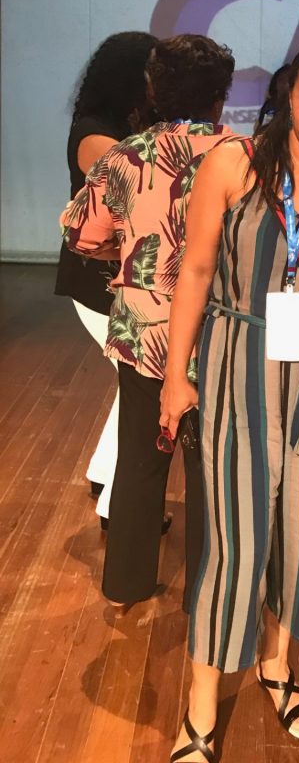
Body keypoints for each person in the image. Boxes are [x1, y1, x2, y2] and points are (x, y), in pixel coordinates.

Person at [158, 38, 299, 762]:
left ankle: (277, 665)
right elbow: (196, 270)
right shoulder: (234, 163)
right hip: (237, 361)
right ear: (286, 93)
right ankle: (200, 708)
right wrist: (176, 374)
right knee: (235, 536)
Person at [61, 34, 236, 610]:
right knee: (212, 469)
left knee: (138, 460)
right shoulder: (244, 154)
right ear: (221, 94)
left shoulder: (125, 156)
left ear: (155, 90)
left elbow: (81, 234)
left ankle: (126, 585)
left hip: (143, 330)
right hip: (217, 330)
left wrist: (134, 253)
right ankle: (207, 595)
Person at [54, 31, 158, 523]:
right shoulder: (95, 134)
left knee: (134, 381)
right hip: (99, 280)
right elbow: (146, 193)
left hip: (119, 276)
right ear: (130, 76)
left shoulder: (124, 126)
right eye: (153, 71)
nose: (159, 81)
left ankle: (102, 471)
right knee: (143, 383)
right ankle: (119, 505)